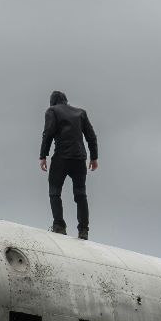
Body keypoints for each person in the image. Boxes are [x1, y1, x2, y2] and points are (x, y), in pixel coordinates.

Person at [39, 89, 99, 239]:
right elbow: (91, 136)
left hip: (61, 157)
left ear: (52, 102)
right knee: (80, 194)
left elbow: (48, 133)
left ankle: (59, 226)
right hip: (79, 158)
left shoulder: (52, 111)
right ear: (66, 100)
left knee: (54, 191)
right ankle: (83, 230)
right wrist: (94, 157)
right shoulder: (81, 113)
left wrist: (43, 155)